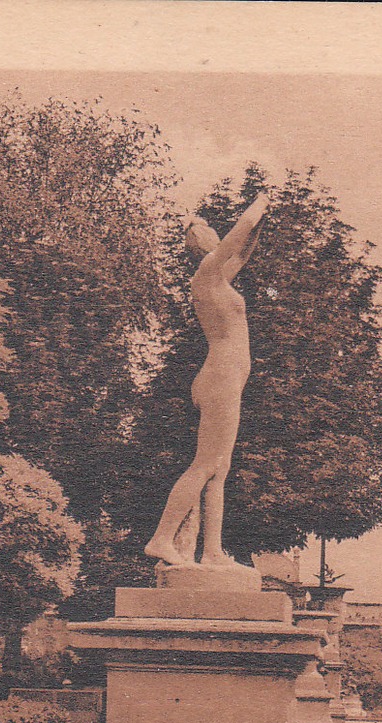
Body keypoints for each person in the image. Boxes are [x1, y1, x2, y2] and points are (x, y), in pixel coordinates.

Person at [145, 193, 272, 568]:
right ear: (206, 244)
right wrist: (260, 204)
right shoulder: (206, 273)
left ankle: (212, 550)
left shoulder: (217, 279)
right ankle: (161, 538)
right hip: (220, 377)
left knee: (220, 466)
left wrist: (264, 220)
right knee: (205, 464)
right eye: (215, 237)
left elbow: (243, 252)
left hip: (223, 377)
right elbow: (239, 235)